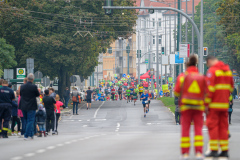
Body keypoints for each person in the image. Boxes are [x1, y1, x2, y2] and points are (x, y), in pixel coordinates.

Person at [174, 55, 208, 160]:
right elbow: (207, 93)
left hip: (186, 107)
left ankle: (185, 154)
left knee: (185, 130)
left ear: (187, 65)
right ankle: (198, 153)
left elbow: (176, 91)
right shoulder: (202, 77)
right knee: (198, 129)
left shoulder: (182, 76)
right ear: (196, 64)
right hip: (198, 107)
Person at [204, 55, 234, 159]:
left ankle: (214, 150)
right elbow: (231, 88)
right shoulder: (228, 71)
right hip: (224, 105)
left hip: (214, 105)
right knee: (223, 127)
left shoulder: (212, 71)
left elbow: (209, 90)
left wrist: (206, 105)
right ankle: (225, 150)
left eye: (208, 65)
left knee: (213, 127)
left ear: (209, 61)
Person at [19, 74, 40, 140]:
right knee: (30, 120)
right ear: (33, 79)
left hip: (23, 105)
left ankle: (31, 134)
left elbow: (21, 94)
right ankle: (26, 135)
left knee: (25, 120)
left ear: (27, 79)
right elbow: (37, 94)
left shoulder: (22, 86)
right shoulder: (34, 86)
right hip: (31, 105)